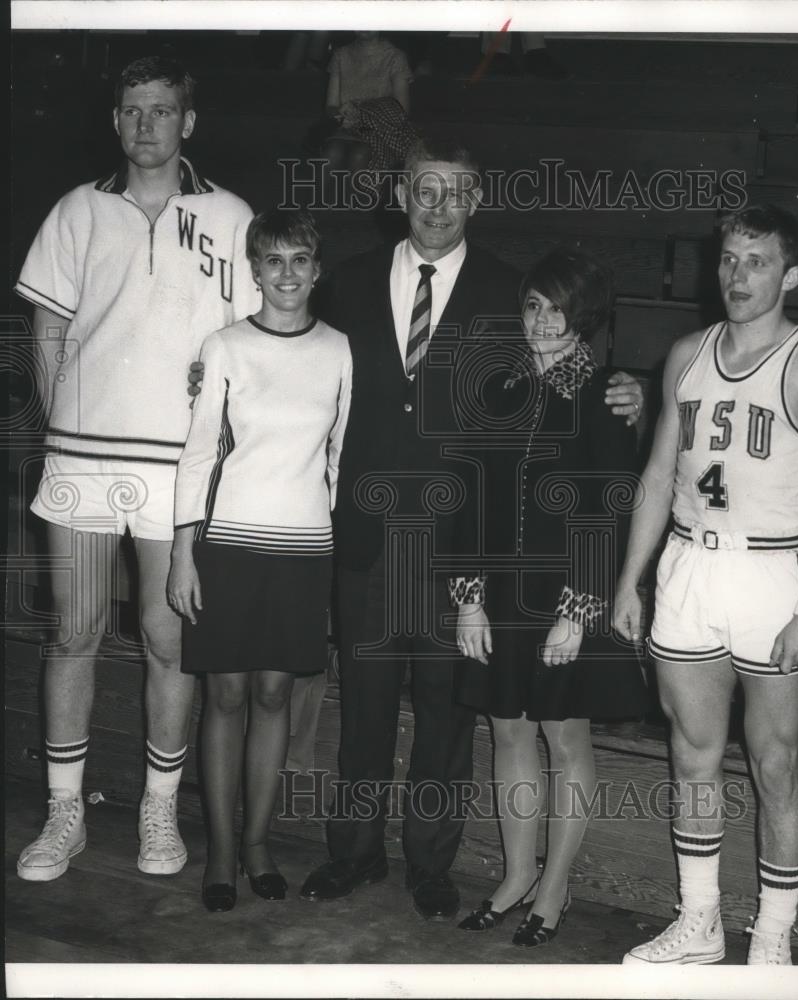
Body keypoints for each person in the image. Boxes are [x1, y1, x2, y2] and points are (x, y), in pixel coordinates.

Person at [296, 135, 645, 920]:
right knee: (366, 705)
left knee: (450, 718)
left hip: (462, 545)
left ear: (476, 201)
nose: (437, 205)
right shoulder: (347, 284)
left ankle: (430, 866)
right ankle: (351, 854)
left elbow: (579, 360)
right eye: (424, 189)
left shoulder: (504, 289)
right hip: (369, 533)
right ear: (400, 193)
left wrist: (634, 392)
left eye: (455, 192)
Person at [14, 56, 259, 883]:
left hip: (176, 470)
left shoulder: (231, 217)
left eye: (161, 110)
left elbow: (252, 345)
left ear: (188, 121)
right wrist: (63, 420)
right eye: (131, 110)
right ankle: (64, 814)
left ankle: (158, 813)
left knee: (165, 640)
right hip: (82, 459)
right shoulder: (78, 210)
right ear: (115, 121)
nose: (145, 124)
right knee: (72, 633)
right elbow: (44, 327)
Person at [612, 204, 798, 965]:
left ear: (789, 275)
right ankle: (699, 923)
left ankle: (774, 939)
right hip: (688, 567)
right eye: (728, 259)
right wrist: (630, 580)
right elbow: (655, 477)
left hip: (769, 574)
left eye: (755, 262)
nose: (736, 275)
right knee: (691, 753)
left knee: (774, 759)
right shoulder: (685, 354)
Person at [453, 248, 649, 946]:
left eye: (556, 308)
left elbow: (607, 510)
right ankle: (514, 875)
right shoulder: (498, 388)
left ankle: (554, 887)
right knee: (505, 726)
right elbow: (468, 498)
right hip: (499, 591)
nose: (541, 320)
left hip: (567, 595)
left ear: (582, 316)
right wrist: (469, 599)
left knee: (563, 737)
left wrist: (577, 612)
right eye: (532, 305)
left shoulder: (601, 393)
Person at [168, 209, 352, 912]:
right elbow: (198, 454)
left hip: (303, 550)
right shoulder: (225, 347)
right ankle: (218, 852)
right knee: (225, 696)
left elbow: (338, 457)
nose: (286, 275)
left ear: (316, 268)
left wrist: (332, 556)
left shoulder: (339, 349)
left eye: (299, 260)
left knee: (275, 695)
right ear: (253, 269)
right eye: (272, 261)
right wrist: (184, 552)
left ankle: (257, 844)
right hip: (229, 546)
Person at [319, 31, 417, 173]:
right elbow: (331, 106)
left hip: (381, 131)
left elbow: (402, 110)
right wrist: (341, 115)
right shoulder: (341, 55)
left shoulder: (395, 57)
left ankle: (358, 195)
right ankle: (317, 195)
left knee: (360, 155)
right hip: (347, 128)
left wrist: (362, 112)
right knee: (332, 152)